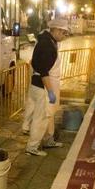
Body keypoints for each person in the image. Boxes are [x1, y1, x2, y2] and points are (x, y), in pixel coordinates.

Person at [25, 18, 70, 156]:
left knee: (49, 114)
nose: (65, 36)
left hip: (41, 83)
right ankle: (32, 147)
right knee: (42, 117)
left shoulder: (49, 41)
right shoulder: (47, 45)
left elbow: (34, 62)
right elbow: (44, 71)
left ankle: (48, 139)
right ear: (56, 30)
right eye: (63, 33)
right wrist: (50, 91)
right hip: (43, 86)